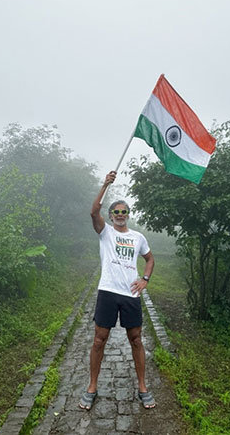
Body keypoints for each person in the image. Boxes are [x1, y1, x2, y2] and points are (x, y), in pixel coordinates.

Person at [79, 170, 156, 411]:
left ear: (128, 215)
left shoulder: (138, 237)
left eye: (124, 212)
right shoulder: (106, 233)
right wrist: (104, 185)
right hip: (108, 292)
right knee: (99, 340)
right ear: (111, 216)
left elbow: (150, 259)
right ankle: (92, 386)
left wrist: (144, 279)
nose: (120, 215)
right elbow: (93, 212)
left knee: (136, 340)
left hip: (131, 294)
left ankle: (142, 386)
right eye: (116, 212)